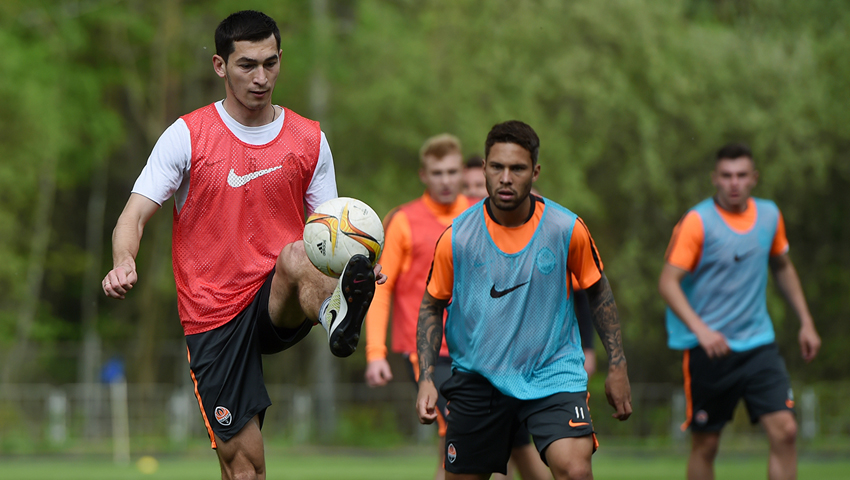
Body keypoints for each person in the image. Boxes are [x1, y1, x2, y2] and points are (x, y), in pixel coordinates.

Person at [101, 11, 385, 480]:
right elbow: (132, 216)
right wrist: (122, 261)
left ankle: (336, 311)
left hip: (278, 294)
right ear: (220, 66)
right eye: (247, 65)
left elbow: (332, 230)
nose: (261, 77)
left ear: (280, 60)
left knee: (299, 253)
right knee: (245, 470)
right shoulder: (187, 136)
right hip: (213, 313)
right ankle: (333, 306)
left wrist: (358, 263)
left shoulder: (309, 139)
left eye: (270, 63)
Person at [416, 120, 632, 480]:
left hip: (552, 373)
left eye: (517, 168)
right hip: (479, 378)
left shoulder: (566, 228)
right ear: (483, 168)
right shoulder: (457, 237)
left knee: (575, 470)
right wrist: (426, 378)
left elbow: (598, 291)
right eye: (497, 167)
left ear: (535, 172)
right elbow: (431, 305)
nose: (505, 178)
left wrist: (617, 365)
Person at [364, 134, 549, 480]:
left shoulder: (483, 213)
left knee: (517, 440)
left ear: (463, 172)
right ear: (423, 175)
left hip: (487, 350)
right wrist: (376, 353)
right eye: (437, 173)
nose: (446, 181)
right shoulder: (403, 220)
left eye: (452, 172)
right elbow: (381, 289)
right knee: (464, 435)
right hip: (430, 352)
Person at [658, 143, 821, 480]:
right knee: (706, 445)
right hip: (710, 349)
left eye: (742, 175)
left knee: (786, 430)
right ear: (715, 178)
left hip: (758, 344)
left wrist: (806, 321)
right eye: (727, 175)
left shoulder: (770, 216)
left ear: (754, 178)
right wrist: (702, 331)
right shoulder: (697, 222)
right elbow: (668, 283)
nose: (734, 183)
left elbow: (782, 266)